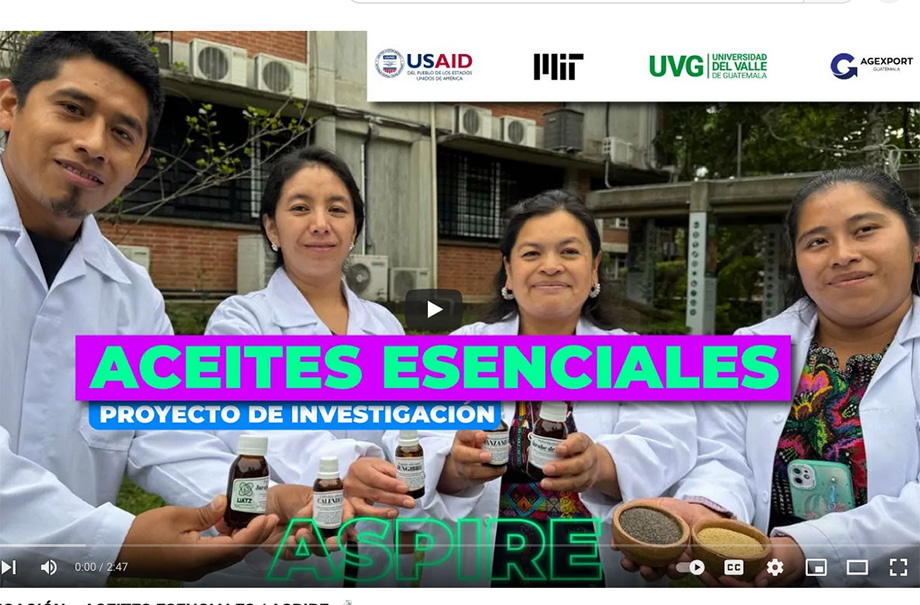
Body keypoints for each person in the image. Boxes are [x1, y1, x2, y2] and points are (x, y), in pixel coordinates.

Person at [0, 31, 315, 587]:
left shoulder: (131, 293)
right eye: (72, 109)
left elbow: (162, 430)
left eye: (122, 133)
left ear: (140, 160)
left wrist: (255, 502)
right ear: (9, 105)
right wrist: (111, 544)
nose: (94, 144)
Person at [623, 167, 920, 588]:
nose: (842, 254)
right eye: (817, 241)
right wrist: (711, 515)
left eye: (865, 230)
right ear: (797, 261)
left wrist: (806, 549)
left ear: (915, 244)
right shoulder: (753, 348)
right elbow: (723, 457)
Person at [384, 189, 697, 587]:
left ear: (595, 268)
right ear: (509, 272)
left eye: (569, 252)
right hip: (483, 571)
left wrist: (599, 465)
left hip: (597, 573)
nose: (551, 266)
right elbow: (405, 437)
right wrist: (454, 468)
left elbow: (670, 444)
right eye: (532, 254)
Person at [201, 146, 416, 586]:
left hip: (370, 546)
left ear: (354, 228)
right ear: (271, 227)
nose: (320, 223)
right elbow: (250, 421)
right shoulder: (241, 321)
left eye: (337, 209)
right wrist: (345, 462)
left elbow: (405, 425)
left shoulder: (385, 327)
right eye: (300, 208)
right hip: (273, 550)